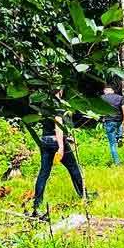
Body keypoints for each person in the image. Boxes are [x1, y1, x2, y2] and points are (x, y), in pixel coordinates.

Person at [32, 90, 85, 218]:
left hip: (45, 139)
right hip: (56, 141)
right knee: (73, 168)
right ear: (60, 91)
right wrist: (61, 146)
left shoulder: (44, 105)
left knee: (44, 172)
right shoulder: (57, 105)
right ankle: (83, 194)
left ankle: (37, 201)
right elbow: (58, 124)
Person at [101, 83, 124, 165]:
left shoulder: (102, 98)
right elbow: (123, 109)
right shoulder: (120, 97)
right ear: (113, 91)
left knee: (112, 143)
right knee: (118, 128)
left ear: (106, 90)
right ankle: (120, 136)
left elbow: (99, 109)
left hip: (109, 121)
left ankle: (117, 162)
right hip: (119, 120)